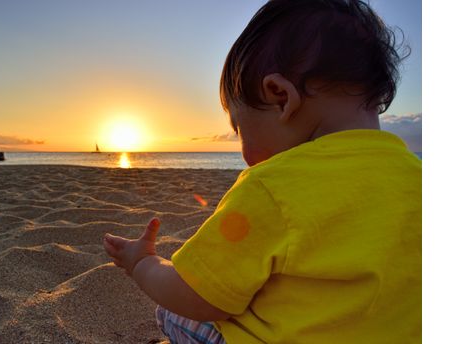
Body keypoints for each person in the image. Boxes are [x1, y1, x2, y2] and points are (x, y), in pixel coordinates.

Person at [103, 0, 421, 342]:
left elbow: (197, 295)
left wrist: (143, 264)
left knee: (172, 312)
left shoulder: (274, 187)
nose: (244, 154)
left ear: (280, 97)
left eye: (240, 129)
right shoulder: (419, 177)